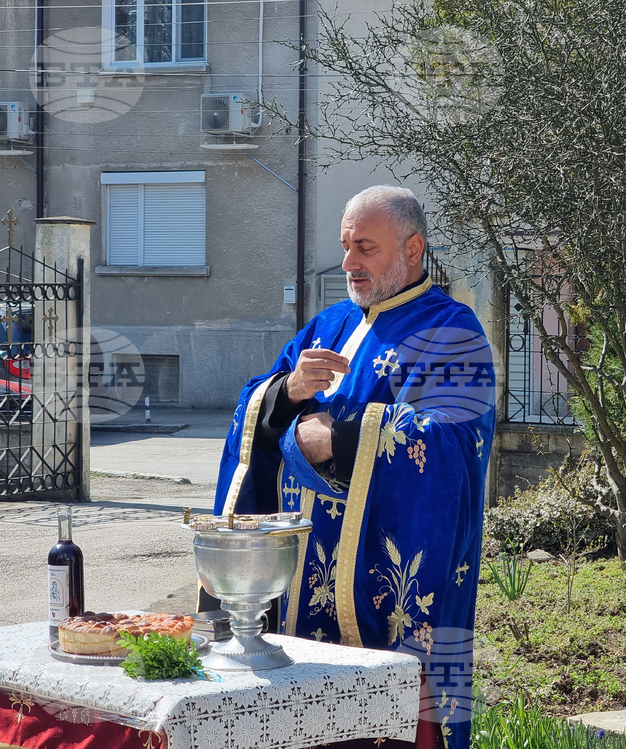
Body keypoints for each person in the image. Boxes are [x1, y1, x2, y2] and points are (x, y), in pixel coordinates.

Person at [206, 185, 496, 749]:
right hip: (295, 578)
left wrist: (338, 439)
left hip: (378, 574)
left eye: (365, 247)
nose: (348, 263)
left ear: (412, 250)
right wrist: (287, 393)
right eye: (345, 247)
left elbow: (455, 440)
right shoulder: (327, 324)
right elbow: (253, 409)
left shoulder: (453, 331)